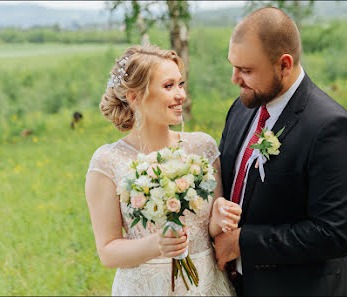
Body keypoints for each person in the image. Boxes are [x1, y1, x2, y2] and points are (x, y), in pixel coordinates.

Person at [214, 7, 347, 296]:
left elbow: (333, 234)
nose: (235, 79)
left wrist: (242, 241)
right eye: (233, 66)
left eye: (246, 70)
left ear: (284, 64)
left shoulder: (331, 127)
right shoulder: (241, 109)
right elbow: (229, 181)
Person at [85, 45, 240, 296]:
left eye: (181, 84)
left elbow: (207, 229)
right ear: (134, 96)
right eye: (169, 86)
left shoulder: (203, 147)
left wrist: (219, 219)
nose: (181, 95)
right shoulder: (108, 161)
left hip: (206, 285)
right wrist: (157, 244)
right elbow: (107, 251)